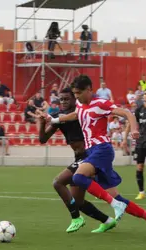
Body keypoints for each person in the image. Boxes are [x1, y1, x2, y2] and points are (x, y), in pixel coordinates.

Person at [48, 75, 146, 239]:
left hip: (102, 149)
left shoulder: (101, 103)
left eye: (79, 93)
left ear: (89, 89)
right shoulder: (80, 104)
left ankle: (114, 204)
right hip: (92, 152)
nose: (77, 97)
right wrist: (55, 119)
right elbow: (76, 114)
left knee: (79, 177)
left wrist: (134, 130)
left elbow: (127, 113)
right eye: (75, 93)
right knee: (116, 196)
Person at [39, 88, 117, 233]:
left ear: (75, 99)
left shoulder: (81, 113)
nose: (63, 102)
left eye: (67, 99)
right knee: (78, 201)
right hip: (79, 158)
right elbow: (42, 139)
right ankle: (107, 221)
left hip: (89, 156)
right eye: (61, 99)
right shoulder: (59, 118)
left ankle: (76, 218)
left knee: (58, 182)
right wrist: (43, 122)